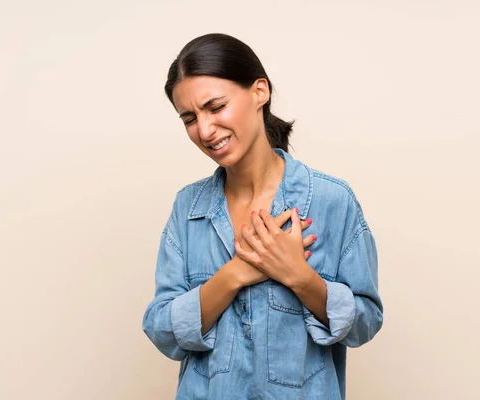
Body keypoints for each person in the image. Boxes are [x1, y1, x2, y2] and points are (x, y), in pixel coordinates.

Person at [142, 33, 383, 400]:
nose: (205, 131)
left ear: (259, 92)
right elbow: (162, 330)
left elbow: (365, 322)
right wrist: (235, 273)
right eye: (189, 118)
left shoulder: (332, 200)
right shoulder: (188, 209)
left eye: (216, 106)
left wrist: (300, 277)